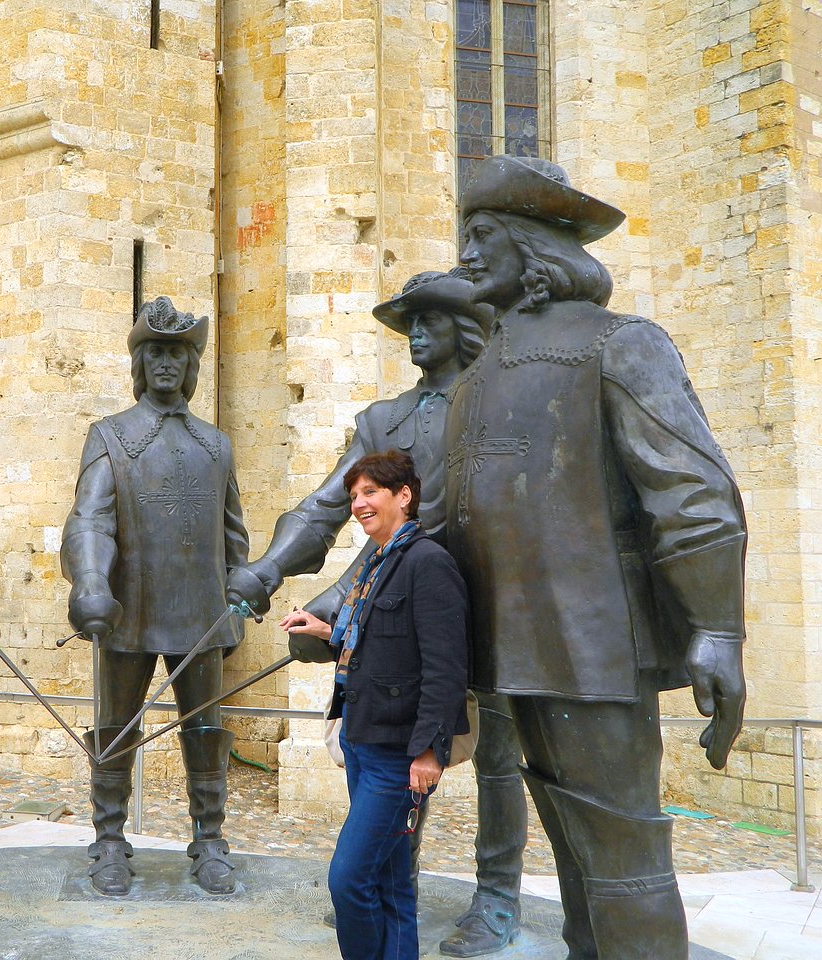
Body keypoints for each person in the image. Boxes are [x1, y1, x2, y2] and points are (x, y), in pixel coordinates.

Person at [447, 155, 747, 959]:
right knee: (577, 853)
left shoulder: (620, 343)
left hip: (594, 650)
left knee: (624, 858)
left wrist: (719, 629)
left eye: (482, 235)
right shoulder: (478, 377)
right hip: (515, 653)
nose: (466, 254)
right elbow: (443, 521)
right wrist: (345, 609)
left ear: (532, 246)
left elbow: (692, 494)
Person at [225, 268, 527, 954]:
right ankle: (391, 879)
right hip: (396, 578)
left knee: (498, 752)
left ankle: (497, 894)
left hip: (492, 591)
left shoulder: (497, 404)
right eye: (408, 322)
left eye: (430, 319)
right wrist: (269, 569)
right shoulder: (383, 420)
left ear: (463, 328)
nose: (415, 333)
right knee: (370, 715)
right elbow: (329, 505)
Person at [61, 296, 251, 896]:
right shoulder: (111, 436)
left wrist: (240, 594)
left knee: (205, 729)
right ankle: (109, 838)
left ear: (191, 365)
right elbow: (89, 520)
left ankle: (210, 838)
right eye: (156, 353)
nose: (167, 363)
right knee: (115, 726)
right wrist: (91, 582)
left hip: (201, 613)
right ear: (140, 363)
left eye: (177, 353)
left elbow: (233, 532)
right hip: (130, 611)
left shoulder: (216, 444)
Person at [280, 450, 469, 960]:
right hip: (361, 739)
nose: (359, 504)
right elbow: (378, 642)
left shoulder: (428, 563)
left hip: (398, 754)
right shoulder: (378, 562)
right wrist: (325, 630)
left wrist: (430, 751)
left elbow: (446, 668)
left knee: (348, 880)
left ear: (404, 496)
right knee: (390, 881)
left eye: (370, 492)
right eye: (354, 496)